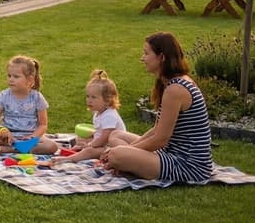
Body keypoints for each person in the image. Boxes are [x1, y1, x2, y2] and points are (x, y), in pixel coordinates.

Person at [100, 32, 213, 182]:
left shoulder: (176, 89)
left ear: (162, 57)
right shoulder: (171, 83)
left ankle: (126, 164)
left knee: (116, 155)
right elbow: (157, 129)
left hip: (188, 166)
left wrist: (124, 152)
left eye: (146, 53)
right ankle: (128, 164)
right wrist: (128, 150)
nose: (142, 58)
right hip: (169, 153)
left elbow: (160, 140)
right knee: (116, 136)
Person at [0, 55, 60, 160]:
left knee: (52, 146)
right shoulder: (4, 95)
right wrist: (1, 129)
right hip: (8, 137)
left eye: (16, 77)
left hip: (29, 138)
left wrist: (33, 137)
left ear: (29, 80)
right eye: (9, 76)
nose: (11, 79)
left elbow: (43, 125)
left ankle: (7, 150)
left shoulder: (37, 97)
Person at [52, 69, 126, 165]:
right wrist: (89, 140)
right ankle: (77, 151)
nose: (89, 100)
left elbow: (105, 138)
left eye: (93, 97)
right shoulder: (98, 112)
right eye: (88, 96)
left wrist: (90, 145)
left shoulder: (110, 116)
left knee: (89, 151)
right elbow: (99, 132)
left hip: (112, 148)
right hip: (102, 144)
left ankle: (69, 159)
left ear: (107, 100)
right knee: (80, 140)